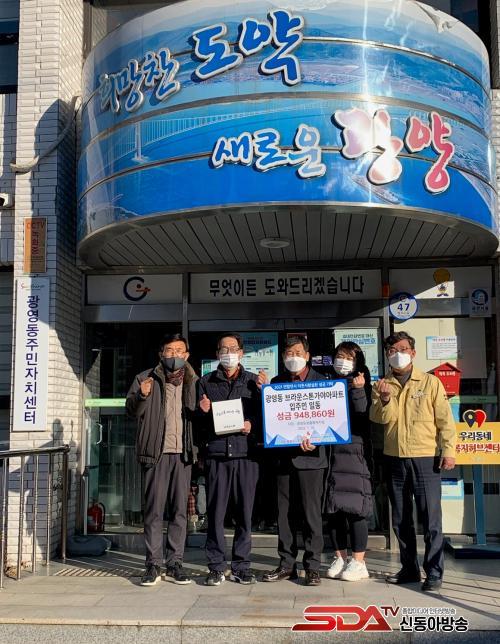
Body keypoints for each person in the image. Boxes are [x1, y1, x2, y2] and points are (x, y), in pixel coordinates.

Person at [370, 331, 456, 592]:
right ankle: (409, 569)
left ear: (413, 353)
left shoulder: (430, 382)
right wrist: (385, 399)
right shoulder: (381, 384)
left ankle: (434, 572)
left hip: (425, 457)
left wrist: (449, 450)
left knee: (431, 518)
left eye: (403, 349)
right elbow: (379, 418)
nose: (398, 354)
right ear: (387, 355)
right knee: (400, 518)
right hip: (394, 458)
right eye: (392, 350)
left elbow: (445, 420)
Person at [126, 333, 198, 586]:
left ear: (186, 355)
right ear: (161, 354)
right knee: (154, 511)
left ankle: (175, 562)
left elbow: (201, 417)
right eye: (170, 350)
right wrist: (142, 395)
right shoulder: (145, 378)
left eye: (179, 351)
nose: (174, 355)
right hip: (155, 454)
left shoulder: (194, 381)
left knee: (179, 512)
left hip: (183, 454)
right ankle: (153, 564)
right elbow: (131, 411)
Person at [198, 334, 264, 586]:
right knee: (215, 514)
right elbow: (196, 423)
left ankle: (241, 565)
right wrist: (202, 412)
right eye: (223, 349)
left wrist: (252, 424)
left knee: (245, 514)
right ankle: (216, 566)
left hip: (246, 455)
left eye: (233, 348)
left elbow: (267, 416)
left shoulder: (254, 382)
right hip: (217, 456)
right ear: (217, 354)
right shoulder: (205, 382)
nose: (229, 353)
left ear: (242, 353)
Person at [262, 336, 327, 587]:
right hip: (283, 459)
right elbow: (272, 421)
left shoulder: (323, 382)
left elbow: (329, 419)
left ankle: (313, 566)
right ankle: (287, 564)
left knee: (311, 515)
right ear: (282, 357)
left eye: (298, 352)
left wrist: (318, 439)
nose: (293, 357)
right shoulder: (276, 384)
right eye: (289, 353)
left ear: (308, 355)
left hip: (311, 459)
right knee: (284, 514)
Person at [324, 341, 373, 582]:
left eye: (349, 358)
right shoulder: (325, 383)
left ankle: (359, 561)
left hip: (354, 451)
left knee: (355, 508)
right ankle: (340, 557)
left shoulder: (365, 384)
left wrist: (358, 390)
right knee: (333, 508)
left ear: (357, 362)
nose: (342, 362)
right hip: (330, 451)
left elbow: (363, 416)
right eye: (339, 356)